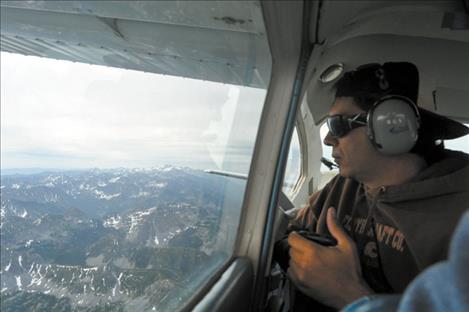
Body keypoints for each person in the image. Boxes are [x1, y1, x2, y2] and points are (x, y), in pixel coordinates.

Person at [276, 62, 469, 310]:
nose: (327, 138)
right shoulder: (343, 187)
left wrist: (347, 294)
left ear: (391, 128)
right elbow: (293, 228)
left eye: (338, 124)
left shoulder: (458, 216)